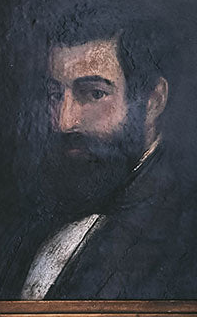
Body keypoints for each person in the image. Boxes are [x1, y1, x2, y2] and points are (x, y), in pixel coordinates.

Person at [17, 26, 197, 300]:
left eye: (94, 94)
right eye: (55, 95)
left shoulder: (184, 228)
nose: (64, 122)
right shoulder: (43, 203)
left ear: (153, 101)